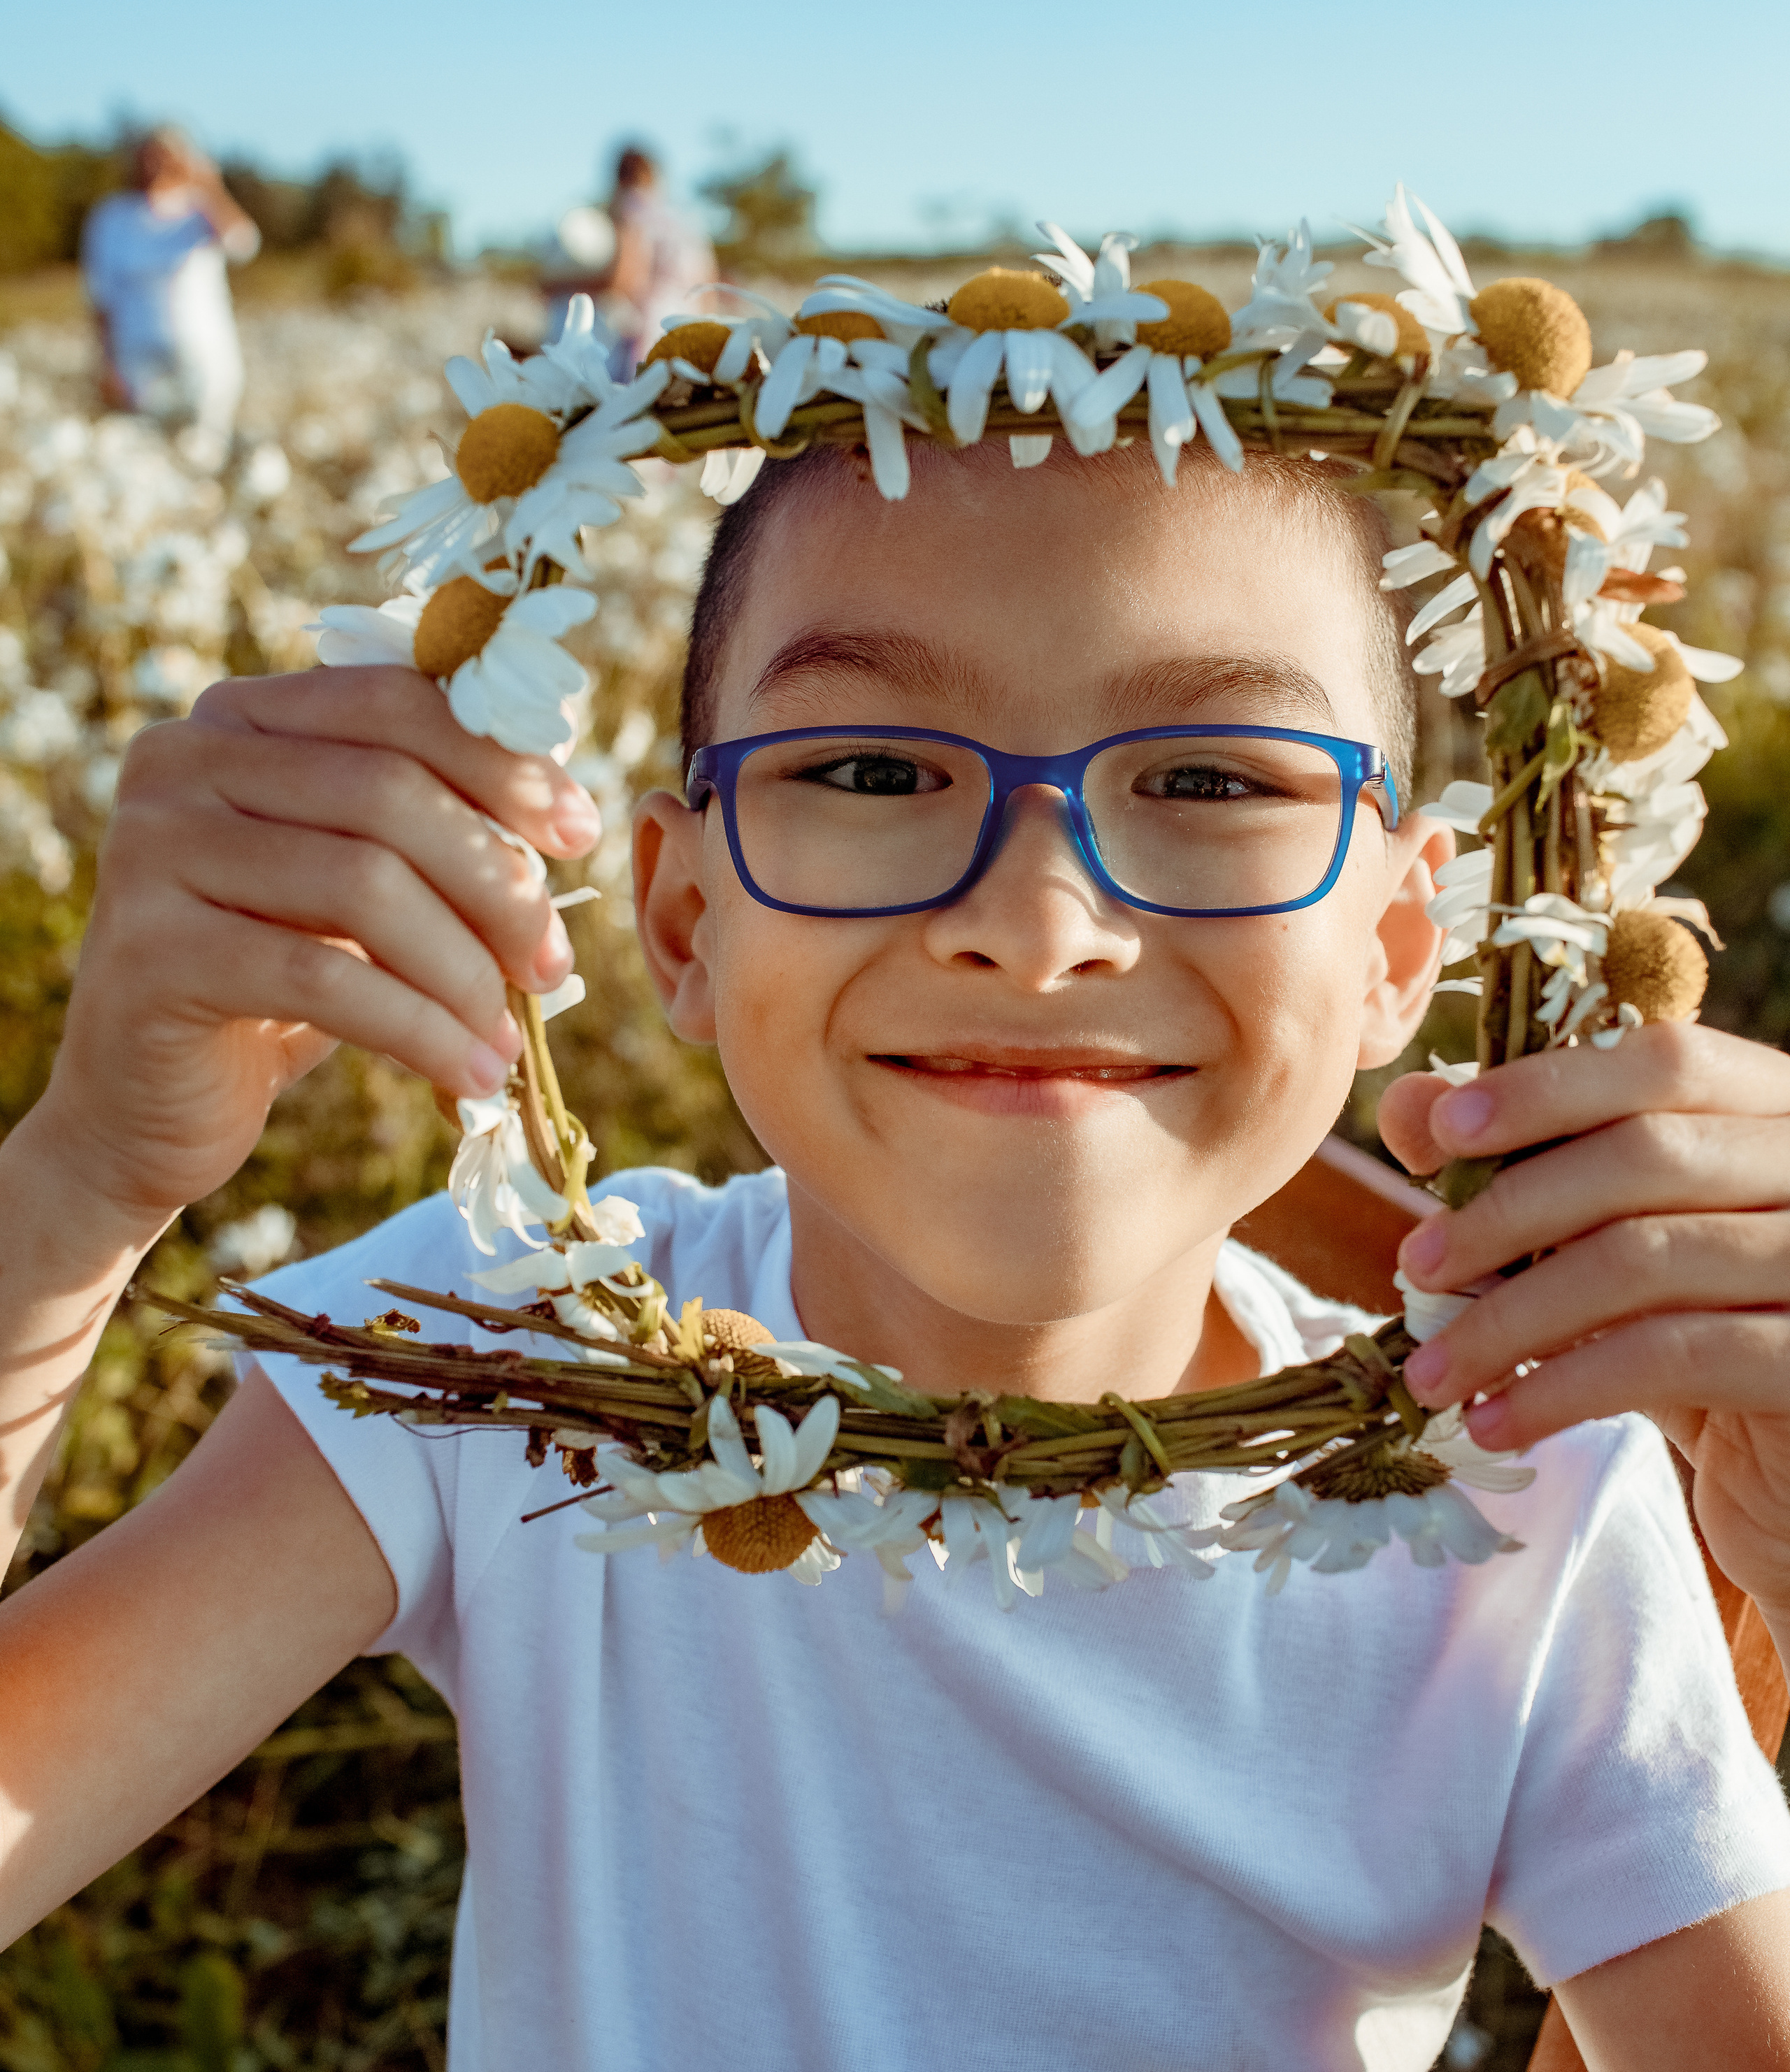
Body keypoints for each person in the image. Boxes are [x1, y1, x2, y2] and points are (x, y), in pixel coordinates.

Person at [2, 433, 1790, 2071]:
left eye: (1206, 775)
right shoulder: (512, 1356)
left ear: (1403, 941)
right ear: (679, 917)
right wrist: (83, 1182)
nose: (1034, 922)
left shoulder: (1522, 1494)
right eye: (867, 767)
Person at [80, 127, 261, 466]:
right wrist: (105, 362)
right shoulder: (111, 217)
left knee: (205, 453)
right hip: (138, 359)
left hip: (205, 358)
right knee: (146, 457)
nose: (154, 167)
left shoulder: (201, 210)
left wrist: (209, 185)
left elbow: (243, 244)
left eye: (164, 157)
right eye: (147, 158)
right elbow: (101, 297)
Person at [597, 143, 716, 376]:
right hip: (689, 327)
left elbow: (627, 277)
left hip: (651, 329)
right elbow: (707, 287)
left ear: (619, 178)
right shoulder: (685, 218)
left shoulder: (630, 210)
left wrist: (562, 287)